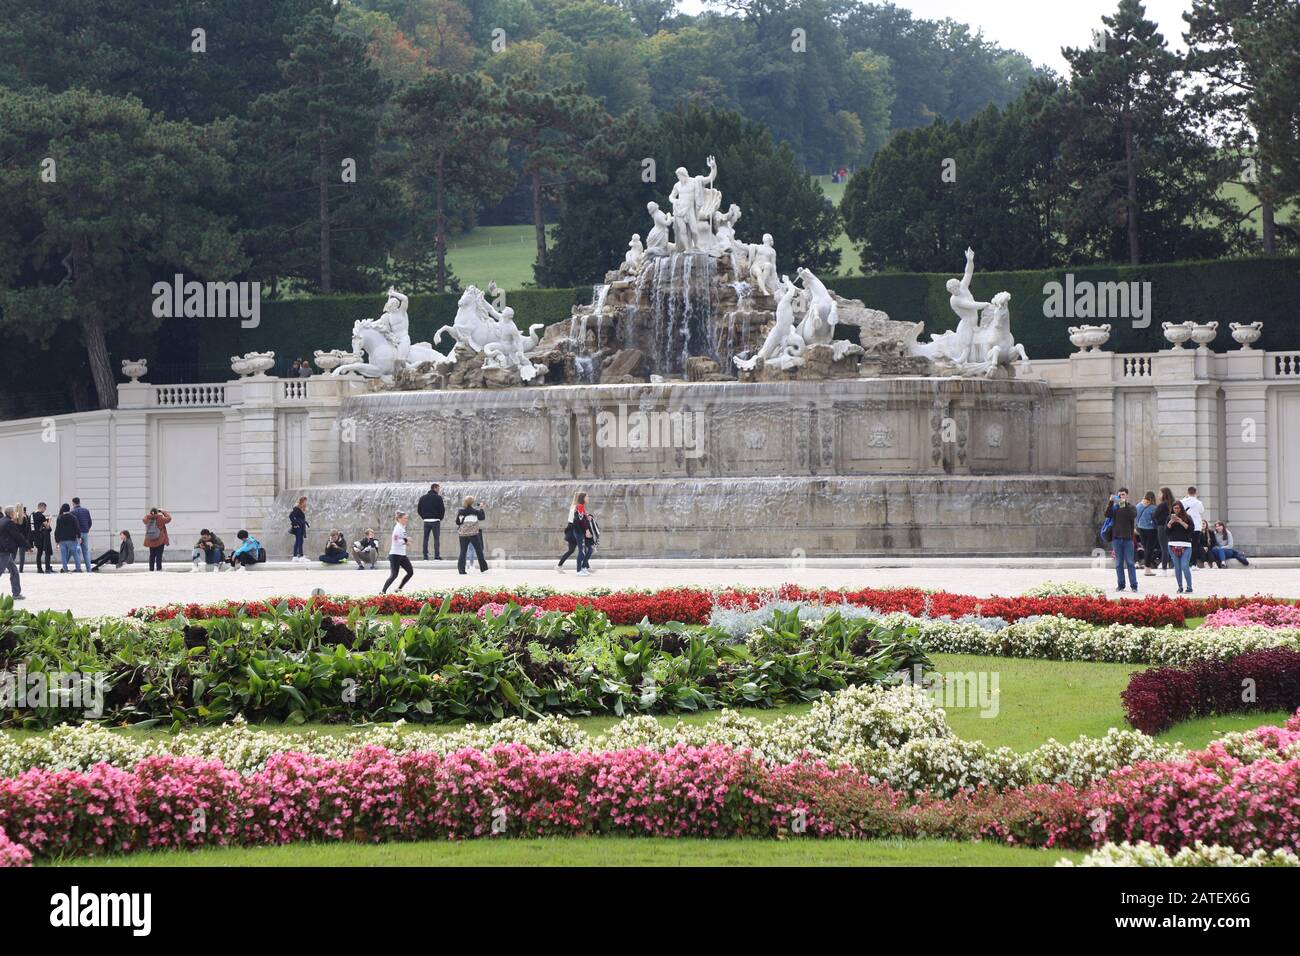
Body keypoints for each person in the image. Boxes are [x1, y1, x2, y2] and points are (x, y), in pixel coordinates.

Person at [1105, 488, 1138, 592]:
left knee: (1130, 563)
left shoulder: (1131, 507)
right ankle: (1121, 584)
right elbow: (1107, 514)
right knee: (1119, 563)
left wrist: (1125, 504)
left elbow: (1133, 515)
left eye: (1123, 495)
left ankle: (1134, 585)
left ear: (1127, 495)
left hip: (1128, 539)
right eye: (1119, 495)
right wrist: (1110, 502)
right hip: (1116, 539)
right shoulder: (1114, 507)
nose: (1121, 497)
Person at [1165, 501, 1195, 594]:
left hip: (1186, 545)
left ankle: (1189, 587)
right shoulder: (1169, 518)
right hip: (1173, 545)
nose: (1177, 510)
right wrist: (1170, 523)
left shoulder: (1187, 517)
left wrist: (1181, 521)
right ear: (1172, 509)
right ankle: (1180, 587)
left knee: (1184, 566)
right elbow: (1166, 532)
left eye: (1178, 508)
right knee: (1177, 567)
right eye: (1175, 508)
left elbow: (1191, 529)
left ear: (1181, 508)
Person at [0, 506, 29, 600]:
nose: (16, 514)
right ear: (11, 513)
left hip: (4, 550)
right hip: (4, 551)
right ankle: (16, 593)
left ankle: (16, 593)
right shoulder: (9, 523)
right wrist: (27, 546)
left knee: (14, 571)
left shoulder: (2, 520)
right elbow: (17, 536)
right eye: (15, 512)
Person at [382, 512, 414, 592]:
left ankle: (399, 588)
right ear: (399, 519)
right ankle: (383, 591)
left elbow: (401, 540)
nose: (407, 520)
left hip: (402, 555)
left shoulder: (402, 528)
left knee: (410, 572)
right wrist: (406, 540)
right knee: (394, 575)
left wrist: (406, 543)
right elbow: (395, 541)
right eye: (405, 518)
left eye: (407, 518)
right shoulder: (397, 528)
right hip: (395, 555)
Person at [456, 496, 488, 574]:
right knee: (479, 551)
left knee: (463, 551)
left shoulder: (461, 512)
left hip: (463, 534)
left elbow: (458, 522)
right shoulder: (475, 512)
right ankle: (483, 568)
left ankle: (461, 570)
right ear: (472, 503)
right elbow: (482, 518)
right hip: (473, 534)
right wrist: (481, 508)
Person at [417, 483, 445, 560]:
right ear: (435, 488)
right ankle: (436, 556)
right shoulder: (438, 498)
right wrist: (440, 518)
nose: (439, 490)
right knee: (436, 539)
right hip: (435, 520)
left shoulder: (422, 498)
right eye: (438, 489)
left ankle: (425, 556)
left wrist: (423, 517)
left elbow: (419, 510)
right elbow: (442, 510)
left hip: (426, 521)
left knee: (425, 539)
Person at [1181, 486, 1206, 568]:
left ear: (1188, 492)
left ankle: (1185, 563)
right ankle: (1193, 564)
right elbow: (1201, 511)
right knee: (1195, 545)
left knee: (1186, 544)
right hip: (1196, 526)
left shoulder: (1183, 501)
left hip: (1186, 526)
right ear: (1195, 493)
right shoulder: (1198, 502)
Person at [557, 493, 582, 573]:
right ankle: (559, 565)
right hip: (574, 529)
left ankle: (559, 566)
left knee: (574, 550)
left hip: (571, 528)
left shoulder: (573, 506)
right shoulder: (576, 507)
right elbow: (576, 520)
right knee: (580, 549)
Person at [1135, 491, 1158, 576]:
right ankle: (1147, 568)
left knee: (1145, 548)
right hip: (1151, 530)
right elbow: (1156, 520)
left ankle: (1146, 567)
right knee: (1149, 549)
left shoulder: (1138, 505)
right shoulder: (1153, 507)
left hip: (1141, 529)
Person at [1153, 487, 1174, 577]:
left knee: (1164, 549)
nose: (1158, 495)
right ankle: (1174, 568)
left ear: (1164, 494)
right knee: (1172, 548)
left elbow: (1154, 515)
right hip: (1172, 527)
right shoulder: (1172, 504)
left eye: (1160, 493)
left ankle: (1164, 570)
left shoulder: (1162, 505)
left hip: (1162, 527)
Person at [55, 504, 83, 572]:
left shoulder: (59, 518)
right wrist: (79, 537)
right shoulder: (73, 517)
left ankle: (65, 569)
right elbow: (77, 528)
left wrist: (56, 540)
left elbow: (57, 530)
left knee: (63, 555)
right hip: (72, 539)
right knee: (75, 554)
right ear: (69, 509)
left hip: (62, 540)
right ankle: (78, 568)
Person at [71, 496, 93, 570]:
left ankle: (78, 568)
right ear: (79, 502)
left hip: (77, 534)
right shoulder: (86, 511)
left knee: (77, 551)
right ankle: (88, 569)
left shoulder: (73, 512)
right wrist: (87, 529)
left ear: (73, 503)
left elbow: (73, 524)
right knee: (85, 551)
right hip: (85, 533)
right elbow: (90, 522)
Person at [30, 503, 52, 574]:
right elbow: (47, 526)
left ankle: (39, 569)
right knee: (47, 551)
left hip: (35, 536)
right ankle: (47, 568)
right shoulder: (41, 516)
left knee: (39, 553)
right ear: (42, 507)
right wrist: (50, 520)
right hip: (42, 537)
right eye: (45, 508)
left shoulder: (32, 515)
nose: (45, 510)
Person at [289, 496, 309, 562]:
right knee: (299, 541)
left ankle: (295, 556)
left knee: (298, 541)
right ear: (302, 501)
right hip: (299, 527)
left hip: (301, 526)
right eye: (305, 501)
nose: (306, 503)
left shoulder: (301, 508)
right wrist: (295, 524)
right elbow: (291, 516)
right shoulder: (297, 508)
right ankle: (300, 556)